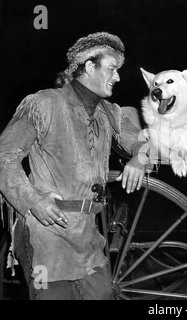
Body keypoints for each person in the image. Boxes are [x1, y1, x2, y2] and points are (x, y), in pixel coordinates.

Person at [0, 31, 147, 300]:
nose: (117, 77)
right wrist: (33, 200)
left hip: (88, 239)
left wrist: (140, 158)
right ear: (90, 66)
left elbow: (142, 143)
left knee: (102, 294)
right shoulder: (42, 104)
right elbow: (4, 158)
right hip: (46, 234)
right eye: (112, 69)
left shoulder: (110, 113)